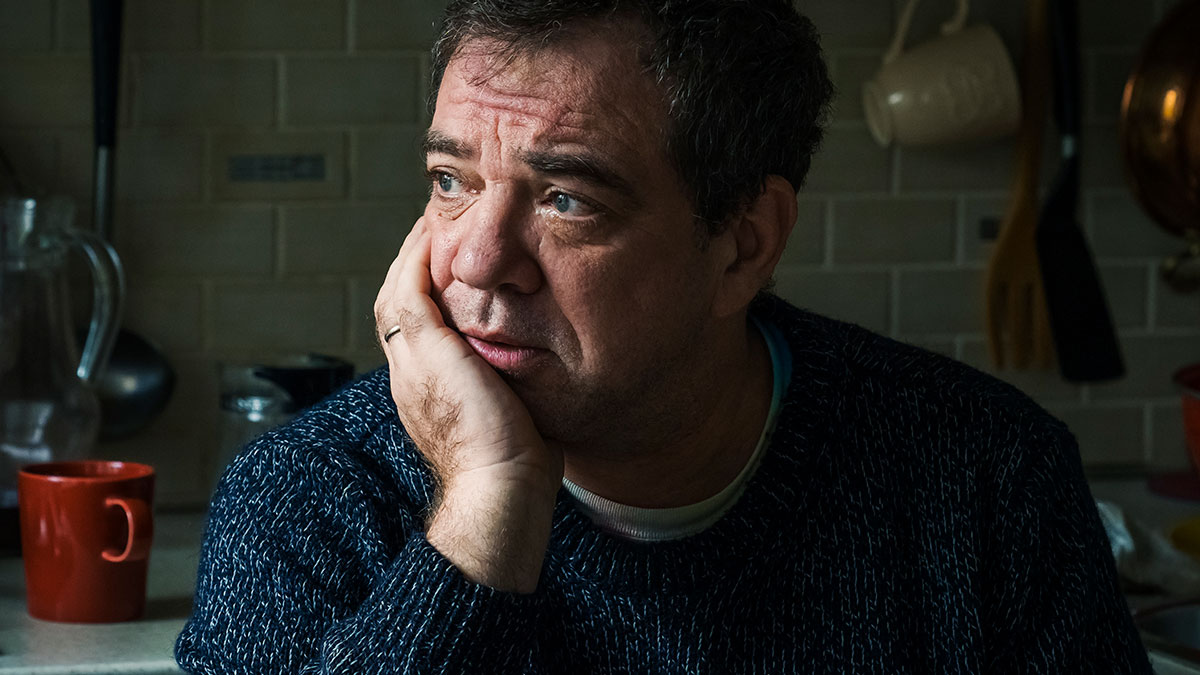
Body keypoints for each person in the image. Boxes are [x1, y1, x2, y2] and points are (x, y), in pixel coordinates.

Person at [175, 0, 1151, 672]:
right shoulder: (306, 500)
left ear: (743, 246)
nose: (473, 261)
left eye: (564, 199)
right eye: (451, 181)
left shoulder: (989, 482)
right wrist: (485, 511)